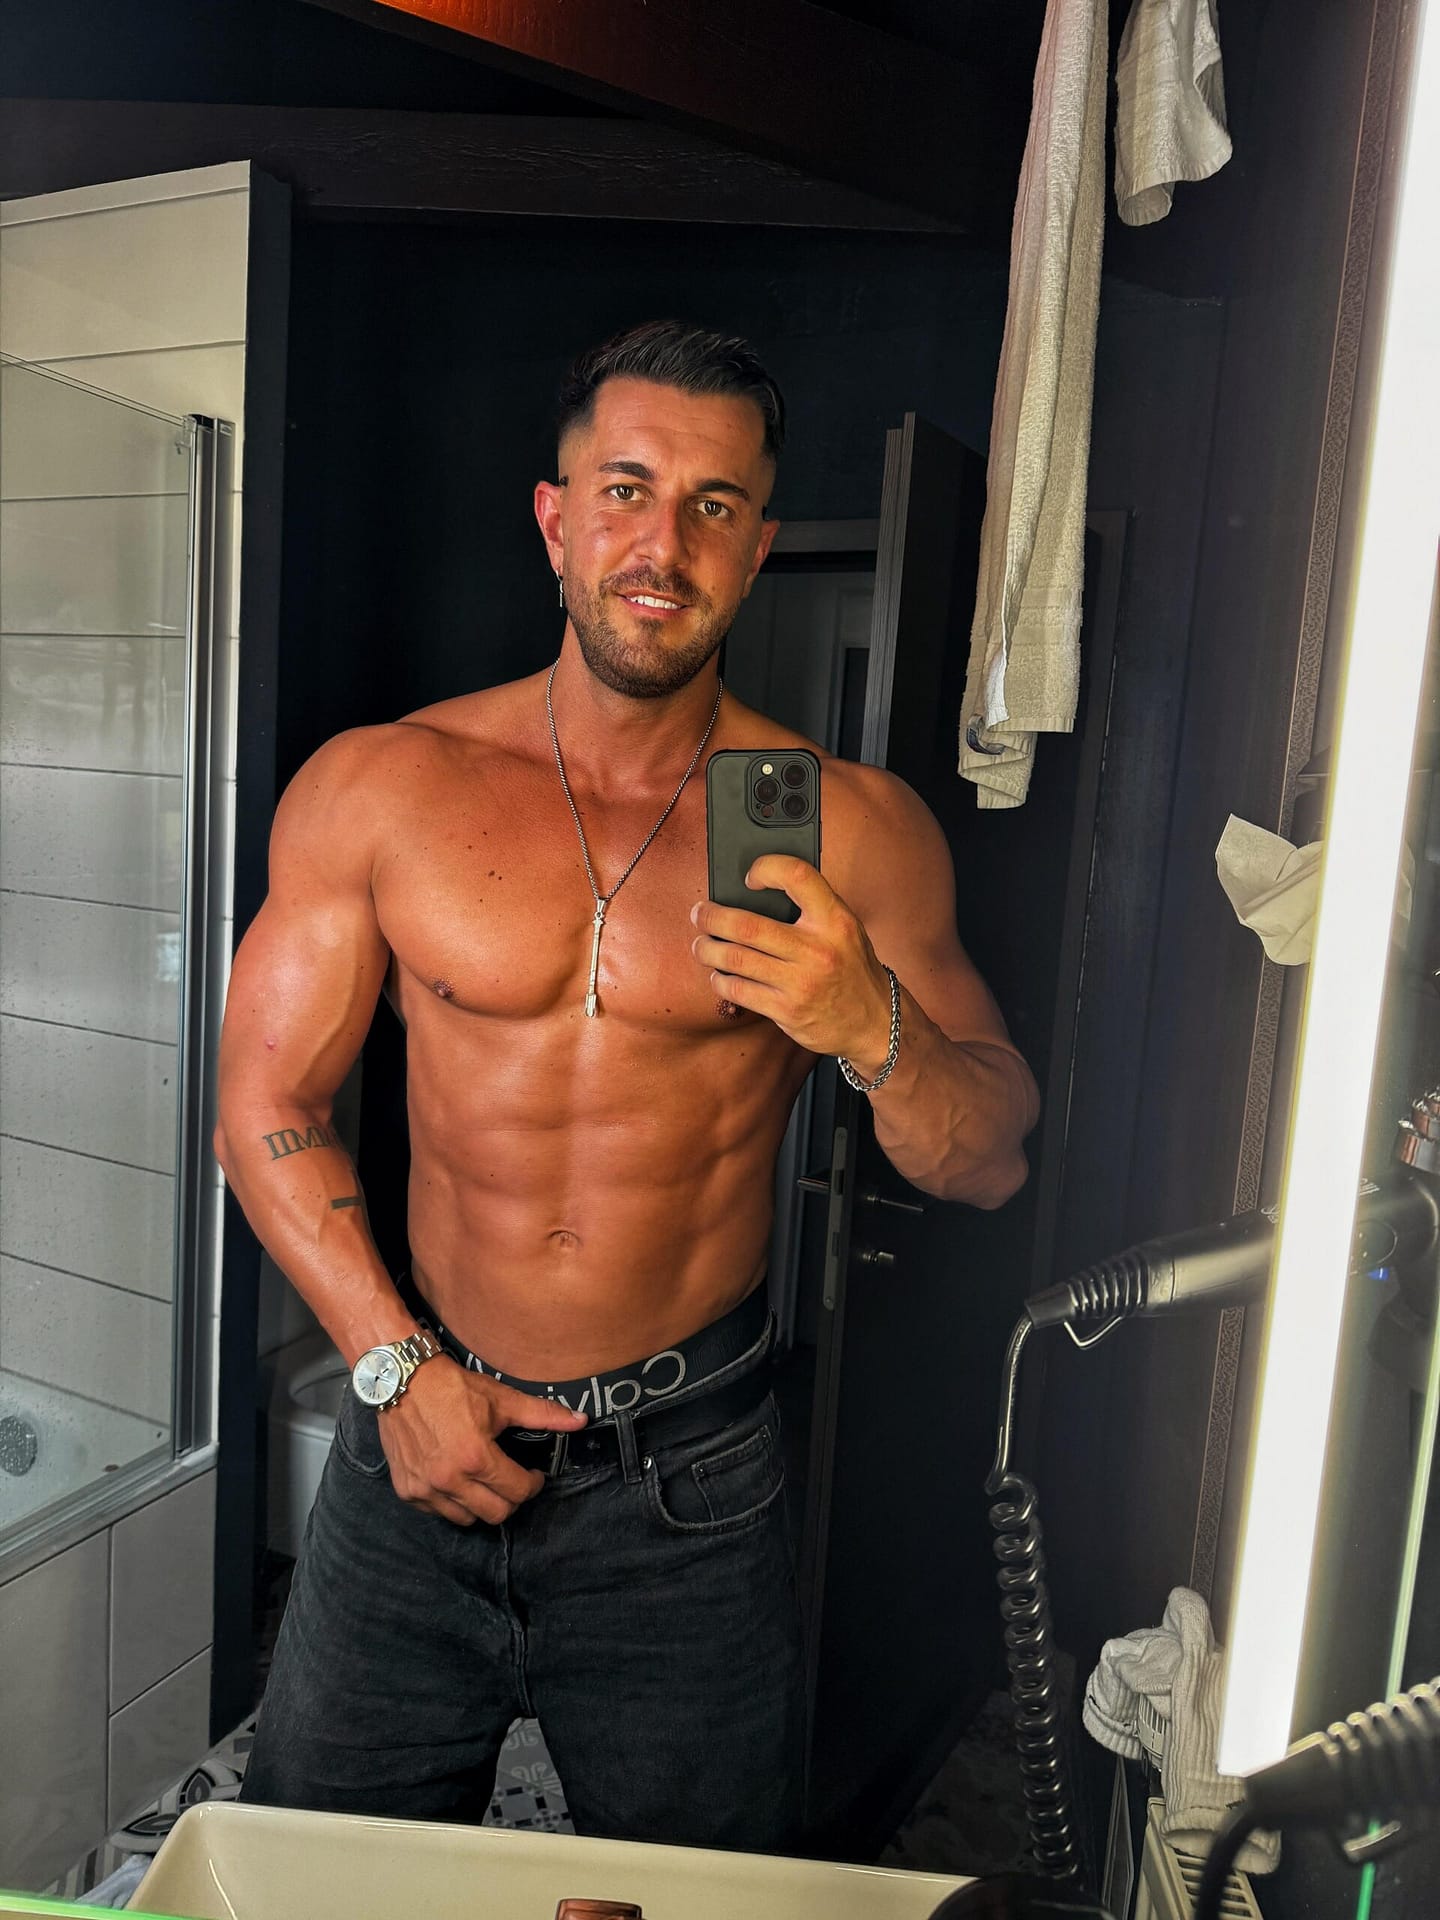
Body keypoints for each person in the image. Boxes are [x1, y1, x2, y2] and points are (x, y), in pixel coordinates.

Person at [218, 319, 1038, 1849]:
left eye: (714, 506)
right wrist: (392, 1371)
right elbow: (264, 1106)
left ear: (759, 547)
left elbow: (988, 1156)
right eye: (627, 491)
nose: (664, 546)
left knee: (704, 1897)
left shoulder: (856, 831)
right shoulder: (382, 787)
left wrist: (868, 1023)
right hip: (417, 1449)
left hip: (693, 1494)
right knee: (313, 1875)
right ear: (556, 520)